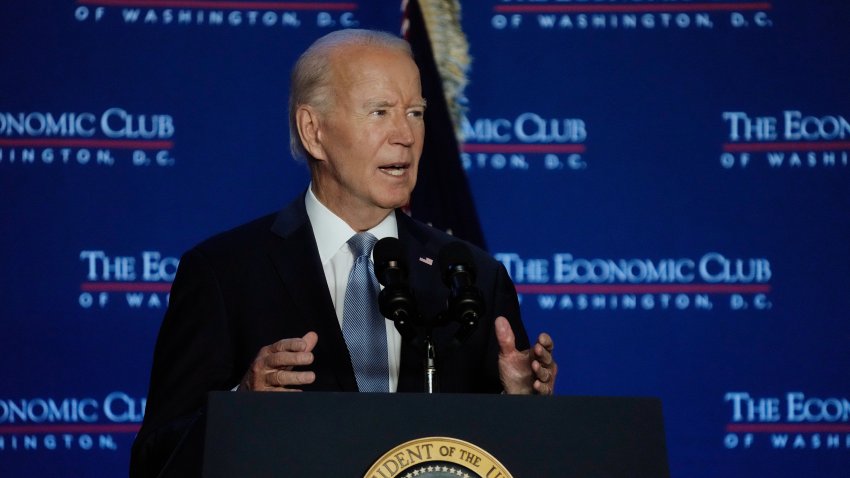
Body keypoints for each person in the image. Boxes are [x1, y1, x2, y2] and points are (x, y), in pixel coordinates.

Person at [130, 28, 557, 477]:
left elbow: (513, 458)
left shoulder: (471, 276)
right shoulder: (224, 274)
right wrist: (240, 404)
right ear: (314, 131)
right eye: (379, 112)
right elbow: (156, 462)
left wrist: (521, 406)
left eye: (415, 112)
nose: (405, 135)